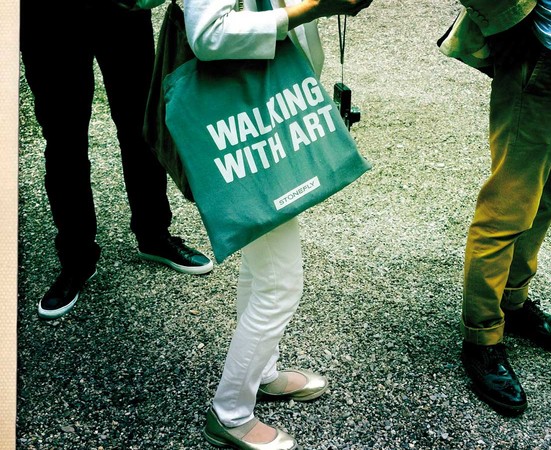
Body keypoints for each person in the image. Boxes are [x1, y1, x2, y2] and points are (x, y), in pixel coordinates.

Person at [183, 0, 372, 448]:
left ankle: (261, 372)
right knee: (280, 284)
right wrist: (312, 9)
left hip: (263, 110)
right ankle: (230, 412)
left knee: (261, 268)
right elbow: (208, 34)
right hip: (245, 113)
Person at [19, 0, 214, 320]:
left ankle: (153, 234)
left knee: (141, 125)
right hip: (47, 16)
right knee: (63, 138)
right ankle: (76, 258)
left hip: (121, 10)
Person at [443, 0, 551, 416]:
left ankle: (513, 304)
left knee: (548, 196)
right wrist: (506, 26)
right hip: (550, 53)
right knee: (507, 208)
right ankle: (482, 337)